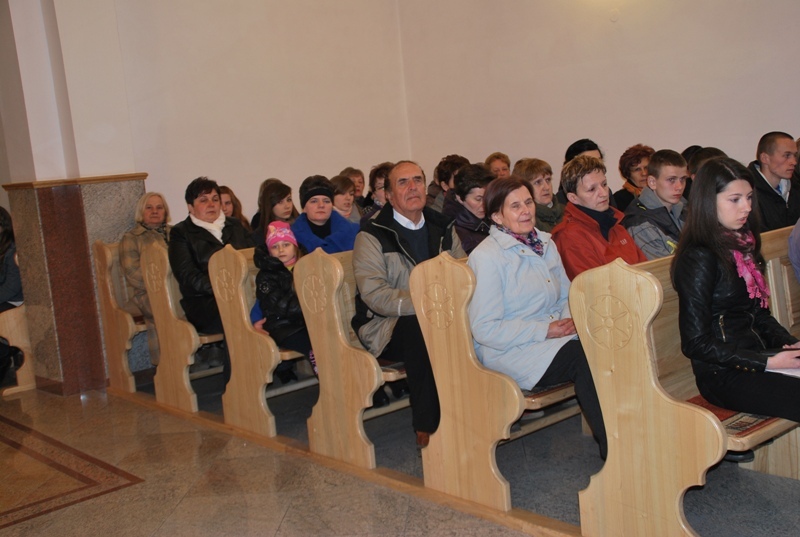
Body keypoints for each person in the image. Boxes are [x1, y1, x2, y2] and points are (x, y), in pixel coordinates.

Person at [467, 177, 607, 459]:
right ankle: (614, 450)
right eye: (515, 206)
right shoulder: (487, 257)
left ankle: (633, 433)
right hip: (511, 350)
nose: (526, 211)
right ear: (497, 216)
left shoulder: (544, 243)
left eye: (528, 202)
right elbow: (485, 329)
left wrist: (568, 322)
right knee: (585, 358)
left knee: (609, 341)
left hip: (553, 338)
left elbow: (566, 295)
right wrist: (546, 330)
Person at [672, 156, 800, 425]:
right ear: (709, 202)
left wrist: (789, 344)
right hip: (723, 374)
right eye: (735, 199)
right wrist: (767, 363)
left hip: (758, 357)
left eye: (749, 197)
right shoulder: (699, 257)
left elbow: (759, 314)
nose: (747, 207)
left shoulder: (743, 244)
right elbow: (696, 343)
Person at [352, 160, 466, 448]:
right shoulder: (372, 235)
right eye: (402, 182)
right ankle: (429, 427)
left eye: (417, 180)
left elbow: (463, 272)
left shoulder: (443, 226)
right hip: (387, 325)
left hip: (442, 313)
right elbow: (376, 295)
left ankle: (472, 412)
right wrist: (428, 305)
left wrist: (444, 305)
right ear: (389, 196)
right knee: (420, 330)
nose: (412, 187)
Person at [169, 177, 254, 378]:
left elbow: (254, 256)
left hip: (243, 294)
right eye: (203, 200)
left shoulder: (235, 225)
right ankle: (236, 381)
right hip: (204, 303)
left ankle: (269, 366)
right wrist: (226, 289)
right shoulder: (181, 233)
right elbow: (188, 276)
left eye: (215, 199)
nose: (211, 204)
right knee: (237, 313)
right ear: (190, 207)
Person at [551, 155, 646, 280]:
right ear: (573, 198)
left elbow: (647, 270)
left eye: (604, 184)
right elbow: (595, 286)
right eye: (592, 189)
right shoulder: (569, 237)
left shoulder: (616, 226)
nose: (604, 193)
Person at [254, 221, 316, 376]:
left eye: (286, 245)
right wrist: (309, 305)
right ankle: (326, 378)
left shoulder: (307, 265)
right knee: (313, 345)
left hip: (305, 322)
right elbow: (280, 306)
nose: (281, 250)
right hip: (282, 326)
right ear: (269, 251)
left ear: (295, 246)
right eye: (275, 246)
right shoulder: (266, 276)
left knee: (329, 338)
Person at [120, 192, 171, 365]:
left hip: (176, 289)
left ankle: (198, 353)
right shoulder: (132, 238)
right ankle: (167, 361)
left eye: (159, 207)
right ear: (141, 212)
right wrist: (163, 285)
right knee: (166, 306)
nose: (154, 211)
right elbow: (133, 274)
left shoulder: (176, 233)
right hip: (146, 293)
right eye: (149, 207)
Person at [622, 149, 689, 260]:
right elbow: (664, 269)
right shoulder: (640, 224)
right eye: (671, 180)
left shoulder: (685, 208)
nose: (679, 187)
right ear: (652, 182)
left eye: (683, 179)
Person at [291, 175, 359, 254]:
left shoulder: (352, 232)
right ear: (304, 208)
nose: (321, 205)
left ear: (332, 205)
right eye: (314, 201)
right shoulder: (292, 238)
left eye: (326, 201)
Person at [748, 131, 800, 231]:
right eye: (787, 155)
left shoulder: (796, 187)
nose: (794, 162)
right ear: (765, 158)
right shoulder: (748, 193)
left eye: (795, 155)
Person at [448, 163, 491, 254]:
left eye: (487, 197)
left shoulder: (493, 218)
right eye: (478, 199)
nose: (484, 204)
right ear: (460, 198)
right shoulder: (456, 233)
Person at [513, 158, 564, 232]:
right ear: (524, 187)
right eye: (538, 182)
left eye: (548, 180)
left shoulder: (567, 211)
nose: (546, 187)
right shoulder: (525, 220)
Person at [252, 180, 300, 244]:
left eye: (289, 200)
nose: (287, 206)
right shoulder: (260, 235)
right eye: (280, 202)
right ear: (270, 205)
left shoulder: (301, 226)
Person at [613, 144, 655, 211]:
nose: (644, 173)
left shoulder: (663, 194)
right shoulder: (618, 200)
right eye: (637, 169)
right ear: (628, 174)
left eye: (647, 168)